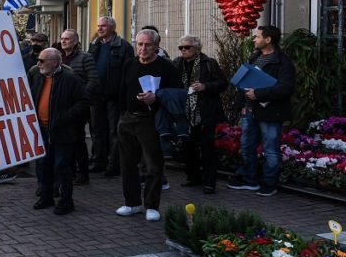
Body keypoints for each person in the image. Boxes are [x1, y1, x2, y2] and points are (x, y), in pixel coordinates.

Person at [115, 28, 180, 221]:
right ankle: (132, 203)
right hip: (128, 119)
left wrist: (156, 97)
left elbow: (177, 94)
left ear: (156, 47)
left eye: (148, 45)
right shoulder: (129, 64)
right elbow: (122, 90)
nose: (143, 48)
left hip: (151, 120)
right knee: (127, 164)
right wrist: (121, 115)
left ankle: (152, 205)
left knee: (153, 165)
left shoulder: (166, 67)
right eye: (140, 44)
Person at [228, 25, 296, 196]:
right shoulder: (254, 58)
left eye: (257, 37)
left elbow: (285, 88)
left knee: (271, 148)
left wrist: (258, 94)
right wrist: (242, 105)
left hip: (271, 113)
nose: (254, 39)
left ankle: (269, 184)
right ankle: (250, 180)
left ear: (268, 40)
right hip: (250, 112)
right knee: (247, 146)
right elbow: (243, 83)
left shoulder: (283, 62)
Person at [29, 48, 90, 215]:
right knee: (43, 165)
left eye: (42, 61)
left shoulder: (70, 79)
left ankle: (66, 200)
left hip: (62, 131)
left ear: (55, 62)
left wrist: (65, 117)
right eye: (38, 60)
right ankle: (46, 196)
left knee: (62, 165)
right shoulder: (39, 77)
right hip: (42, 129)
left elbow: (84, 101)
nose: (38, 64)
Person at [171, 36, 228, 193]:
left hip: (205, 113)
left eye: (187, 47)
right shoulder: (177, 63)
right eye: (181, 47)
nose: (183, 50)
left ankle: (209, 182)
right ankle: (193, 177)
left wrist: (205, 86)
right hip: (185, 112)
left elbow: (223, 83)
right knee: (188, 147)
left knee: (207, 149)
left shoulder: (209, 63)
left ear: (197, 49)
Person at [88, 16, 134, 176]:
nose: (99, 29)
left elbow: (129, 73)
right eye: (98, 26)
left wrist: (124, 94)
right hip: (96, 96)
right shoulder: (94, 46)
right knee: (97, 129)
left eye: (103, 26)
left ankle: (114, 165)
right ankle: (98, 161)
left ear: (112, 28)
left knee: (114, 130)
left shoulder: (124, 47)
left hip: (114, 97)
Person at [57, 29, 98, 184]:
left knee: (78, 139)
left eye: (67, 39)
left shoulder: (85, 57)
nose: (63, 41)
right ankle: (70, 171)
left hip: (78, 106)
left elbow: (93, 80)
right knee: (65, 139)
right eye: (62, 38)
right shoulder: (58, 57)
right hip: (61, 105)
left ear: (75, 41)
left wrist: (81, 98)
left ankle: (83, 173)